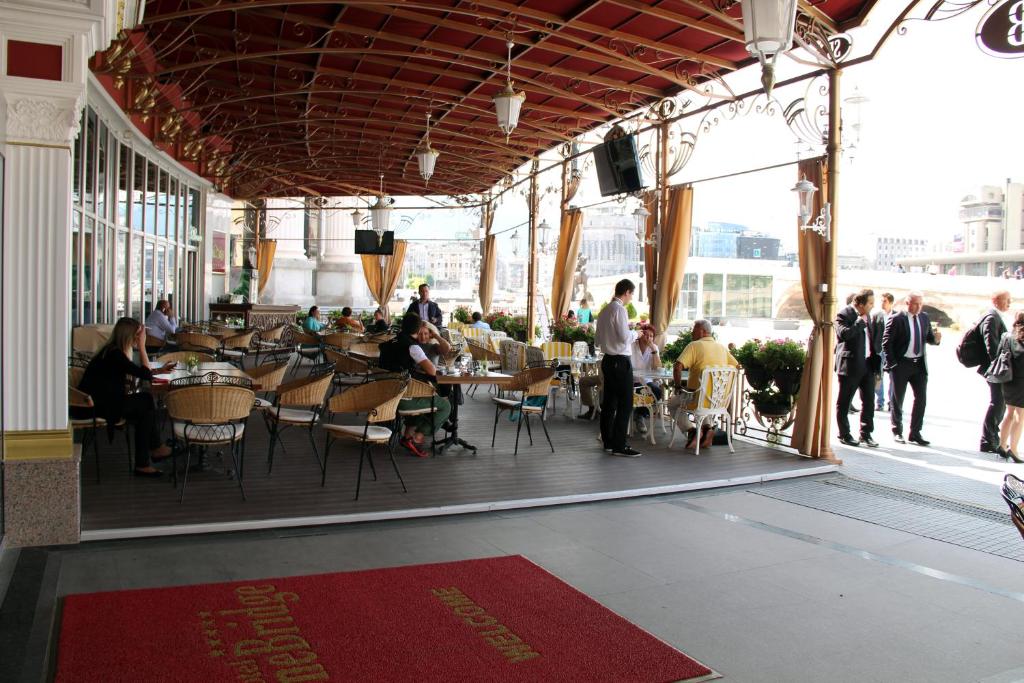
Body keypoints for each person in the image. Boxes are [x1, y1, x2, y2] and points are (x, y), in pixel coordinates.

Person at [78, 318, 176, 477]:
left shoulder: (112, 351)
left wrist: (158, 371)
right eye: (138, 335)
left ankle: (149, 457)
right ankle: (152, 453)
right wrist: (143, 347)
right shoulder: (115, 354)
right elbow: (144, 374)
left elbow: (138, 372)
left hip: (98, 402)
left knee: (145, 407)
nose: (139, 338)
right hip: (94, 406)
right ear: (129, 335)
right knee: (146, 401)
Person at [379, 313, 452, 458]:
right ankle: (417, 437)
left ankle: (407, 438)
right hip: (403, 398)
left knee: (422, 398)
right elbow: (432, 370)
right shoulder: (412, 347)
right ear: (418, 330)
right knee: (445, 406)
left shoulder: (387, 344)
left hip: (385, 395)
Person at [666, 319, 738, 450]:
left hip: (697, 399)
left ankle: (692, 431)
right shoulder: (721, 348)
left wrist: (678, 386)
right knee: (704, 398)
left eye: (694, 330)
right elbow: (736, 366)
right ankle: (707, 429)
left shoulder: (694, 346)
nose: (691, 333)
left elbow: (677, 367)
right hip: (718, 401)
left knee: (672, 403)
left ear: (702, 331)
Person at [883, 291, 941, 445]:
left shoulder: (924, 317)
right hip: (901, 364)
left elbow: (929, 338)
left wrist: (936, 340)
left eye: (921, 304)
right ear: (907, 303)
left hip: (919, 365)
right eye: (915, 303)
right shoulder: (897, 318)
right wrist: (893, 364)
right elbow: (886, 343)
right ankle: (897, 431)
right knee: (897, 399)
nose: (919, 307)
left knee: (921, 399)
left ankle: (915, 432)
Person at [596, 279, 641, 457]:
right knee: (625, 403)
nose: (631, 298)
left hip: (607, 360)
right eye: (631, 294)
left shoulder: (604, 310)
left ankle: (608, 442)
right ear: (627, 292)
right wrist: (636, 333)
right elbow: (624, 337)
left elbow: (597, 340)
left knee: (609, 403)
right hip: (620, 361)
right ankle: (619, 445)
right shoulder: (620, 310)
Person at [835, 289, 880, 448]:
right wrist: (860, 322)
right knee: (845, 402)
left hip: (867, 365)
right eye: (870, 303)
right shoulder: (844, 314)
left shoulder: (870, 316)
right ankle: (844, 434)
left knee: (869, 401)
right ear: (860, 304)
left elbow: (872, 340)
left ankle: (866, 433)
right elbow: (844, 335)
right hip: (850, 365)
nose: (872, 306)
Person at [978, 291, 1011, 454]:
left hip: (996, 368)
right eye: (1006, 300)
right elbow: (991, 345)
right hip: (995, 369)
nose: (1009, 303)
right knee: (998, 402)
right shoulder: (992, 317)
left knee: (1000, 403)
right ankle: (987, 440)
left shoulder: (996, 316)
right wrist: (998, 367)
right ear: (995, 300)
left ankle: (992, 438)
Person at [998, 312, 1024, 463]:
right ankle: (1013, 449)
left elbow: (999, 354)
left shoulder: (1007, 336)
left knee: (1009, 413)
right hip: (1022, 380)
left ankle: (1002, 445)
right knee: (1020, 416)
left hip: (1008, 379)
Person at [630, 323, 662, 435]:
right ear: (640, 335)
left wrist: (653, 350)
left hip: (647, 381)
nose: (649, 338)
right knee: (641, 389)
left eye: (651, 336)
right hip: (632, 381)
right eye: (646, 335)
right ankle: (639, 416)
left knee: (657, 391)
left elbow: (657, 368)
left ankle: (640, 414)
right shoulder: (631, 346)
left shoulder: (654, 348)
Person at [872, 292, 895, 411]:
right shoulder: (876, 315)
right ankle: (880, 402)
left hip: (892, 351)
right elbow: (873, 334)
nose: (882, 303)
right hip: (879, 350)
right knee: (878, 377)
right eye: (881, 301)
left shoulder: (897, 316)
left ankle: (892, 403)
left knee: (893, 377)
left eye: (884, 301)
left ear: (891, 303)